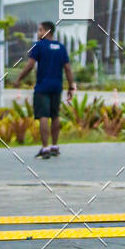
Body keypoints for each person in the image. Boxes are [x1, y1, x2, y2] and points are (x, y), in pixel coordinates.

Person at [14, 21, 76, 159]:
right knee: (55, 116)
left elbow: (30, 65)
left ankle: (45, 148)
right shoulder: (61, 47)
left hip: (42, 87)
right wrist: (71, 86)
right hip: (57, 87)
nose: (38, 32)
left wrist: (18, 79)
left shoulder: (39, 46)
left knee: (43, 116)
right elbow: (68, 68)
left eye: (40, 30)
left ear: (47, 31)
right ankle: (55, 146)